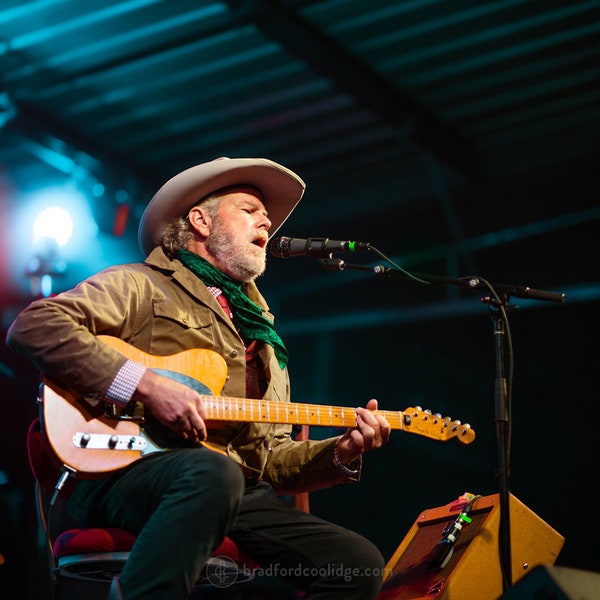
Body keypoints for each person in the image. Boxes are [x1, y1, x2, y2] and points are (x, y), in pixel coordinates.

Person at [6, 157, 391, 600]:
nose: (266, 219)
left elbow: (265, 461)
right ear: (200, 221)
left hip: (225, 486)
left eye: (264, 214)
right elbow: (36, 327)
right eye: (249, 208)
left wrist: (340, 453)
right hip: (124, 472)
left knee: (357, 565)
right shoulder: (142, 284)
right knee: (214, 473)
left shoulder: (265, 339)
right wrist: (146, 386)